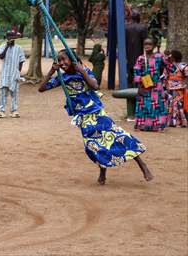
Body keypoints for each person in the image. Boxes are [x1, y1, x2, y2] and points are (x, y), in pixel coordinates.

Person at [39, 49, 153, 185]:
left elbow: (95, 86)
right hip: (83, 117)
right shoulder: (62, 78)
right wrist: (51, 71)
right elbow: (41, 88)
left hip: (97, 113)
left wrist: (82, 71)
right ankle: (103, 171)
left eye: (64, 59)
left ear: (72, 60)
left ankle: (142, 165)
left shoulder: (84, 71)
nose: (62, 63)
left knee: (119, 136)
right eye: (60, 60)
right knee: (94, 146)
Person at [133, 38, 171, 132]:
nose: (147, 46)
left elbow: (170, 67)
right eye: (145, 44)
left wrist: (168, 57)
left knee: (157, 106)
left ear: (154, 46)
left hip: (157, 86)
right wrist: (139, 85)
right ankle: (143, 125)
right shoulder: (141, 58)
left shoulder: (159, 56)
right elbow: (136, 72)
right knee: (145, 105)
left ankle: (157, 126)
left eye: (149, 44)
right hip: (144, 86)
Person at [0, 30, 25, 118]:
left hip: (14, 73)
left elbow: (21, 61)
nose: (11, 38)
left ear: (15, 37)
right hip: (5, 73)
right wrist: (7, 47)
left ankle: (14, 110)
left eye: (12, 36)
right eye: (9, 36)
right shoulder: (2, 46)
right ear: (6, 38)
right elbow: (1, 56)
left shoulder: (19, 48)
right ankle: (1, 111)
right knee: (2, 92)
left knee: (14, 92)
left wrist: (18, 72)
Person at [125, 10, 148, 87]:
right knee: (143, 71)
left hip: (128, 54)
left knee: (131, 72)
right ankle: (143, 86)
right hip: (140, 54)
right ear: (139, 18)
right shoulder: (143, 27)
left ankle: (130, 87)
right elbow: (146, 42)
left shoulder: (126, 27)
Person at [165, 50, 187, 128]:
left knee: (176, 105)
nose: (169, 58)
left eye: (171, 56)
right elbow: (164, 76)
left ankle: (178, 122)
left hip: (179, 89)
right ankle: (173, 122)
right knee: (172, 104)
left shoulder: (182, 66)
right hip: (170, 89)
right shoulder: (169, 66)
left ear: (174, 58)